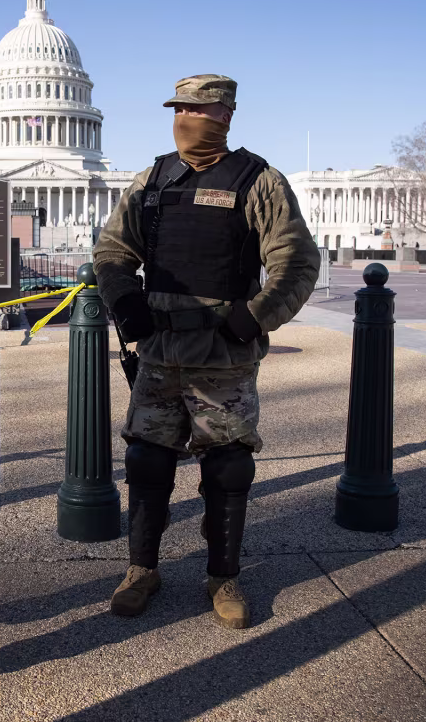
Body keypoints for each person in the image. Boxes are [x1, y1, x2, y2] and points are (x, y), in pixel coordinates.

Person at [93, 74, 320, 629]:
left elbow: (296, 263)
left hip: (223, 353)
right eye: (180, 109)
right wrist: (126, 305)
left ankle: (223, 575)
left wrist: (252, 317)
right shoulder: (152, 180)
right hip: (160, 350)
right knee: (147, 461)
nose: (187, 119)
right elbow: (113, 250)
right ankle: (141, 568)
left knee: (227, 469)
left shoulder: (259, 181)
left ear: (226, 113)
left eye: (200, 109)